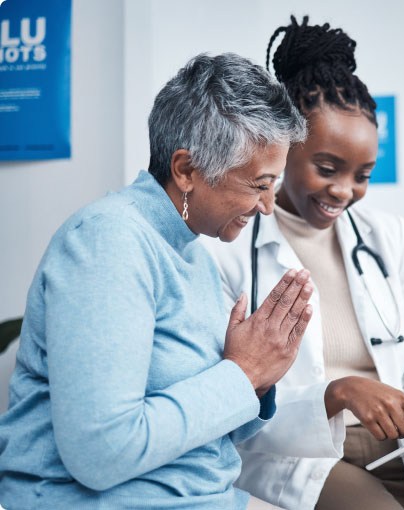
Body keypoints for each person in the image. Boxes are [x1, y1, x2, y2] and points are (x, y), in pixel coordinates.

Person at [204, 17, 404, 510]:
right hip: (296, 457)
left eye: (362, 174)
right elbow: (231, 404)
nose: (345, 191)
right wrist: (337, 392)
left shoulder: (390, 238)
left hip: (401, 447)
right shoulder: (229, 247)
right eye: (327, 169)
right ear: (283, 147)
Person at [0, 53, 312, 510]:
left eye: (274, 185)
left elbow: (204, 423)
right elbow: (101, 452)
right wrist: (241, 374)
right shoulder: (109, 242)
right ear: (186, 170)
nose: (267, 206)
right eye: (258, 185)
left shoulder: (193, 253)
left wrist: (258, 378)